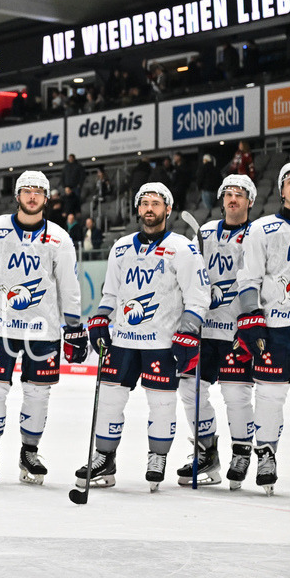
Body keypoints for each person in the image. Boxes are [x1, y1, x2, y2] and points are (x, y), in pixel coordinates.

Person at [0, 170, 85, 486]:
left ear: (46, 197)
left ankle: (29, 451)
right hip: (0, 328)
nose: (32, 196)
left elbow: (69, 287)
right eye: (26, 190)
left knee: (38, 394)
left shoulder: (59, 238)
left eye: (38, 191)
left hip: (43, 332)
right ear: (17, 195)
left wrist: (75, 327)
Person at [81, 182, 209, 491]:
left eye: (156, 203)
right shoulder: (121, 246)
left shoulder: (182, 247)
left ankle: (158, 456)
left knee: (162, 404)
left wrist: (188, 331)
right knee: (110, 399)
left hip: (162, 342)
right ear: (138, 209)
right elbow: (110, 292)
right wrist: (101, 318)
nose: (149, 208)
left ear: (168, 208)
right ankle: (105, 458)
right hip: (123, 339)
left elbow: (198, 296)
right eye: (144, 203)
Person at [178, 174, 256, 488]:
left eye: (240, 194)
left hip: (239, 330)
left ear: (250, 201)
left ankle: (242, 452)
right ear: (222, 199)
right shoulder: (206, 232)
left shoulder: (258, 234)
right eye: (228, 194)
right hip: (205, 329)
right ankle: (206, 450)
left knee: (236, 394)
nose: (233, 199)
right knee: (189, 388)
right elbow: (190, 272)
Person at [233, 163, 290, 495]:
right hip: (276, 326)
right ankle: (266, 453)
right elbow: (249, 278)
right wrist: (252, 318)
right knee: (270, 394)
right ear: (281, 190)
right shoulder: (264, 229)